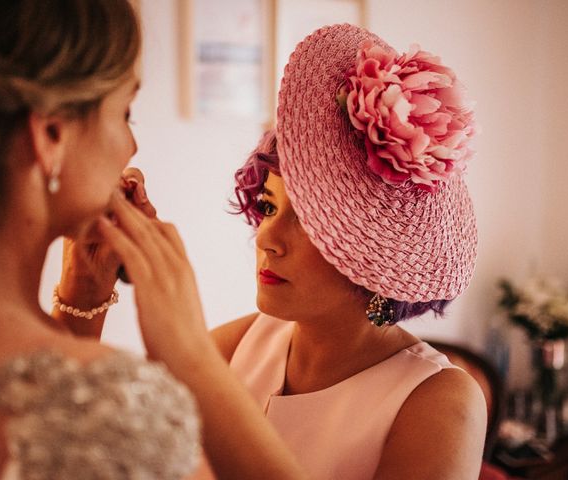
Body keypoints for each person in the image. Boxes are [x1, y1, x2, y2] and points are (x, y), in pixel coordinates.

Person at [0, 1, 308, 479]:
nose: (131, 147)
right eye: (126, 112)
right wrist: (192, 357)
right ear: (52, 134)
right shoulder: (112, 411)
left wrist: (81, 300)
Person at [194, 24, 487, 479]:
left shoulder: (438, 402)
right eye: (270, 206)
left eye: (310, 220)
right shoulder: (231, 350)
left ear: (377, 252)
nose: (266, 239)